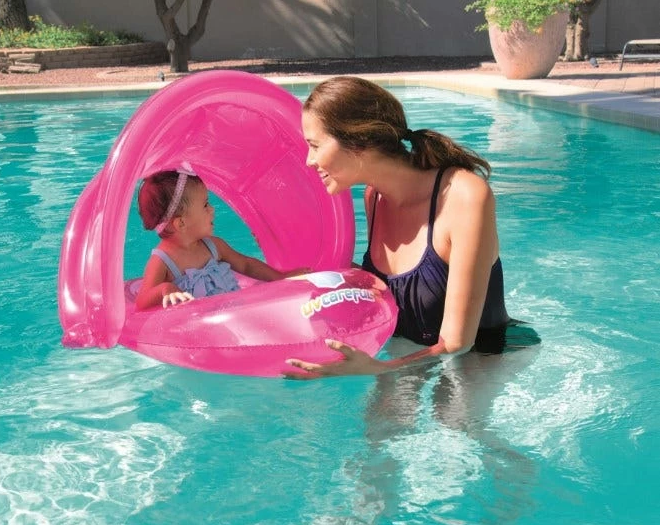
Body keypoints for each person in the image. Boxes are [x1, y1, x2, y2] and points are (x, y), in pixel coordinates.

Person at [286, 76, 530, 377]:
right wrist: (318, 276)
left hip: (481, 358)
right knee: (375, 411)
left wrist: (378, 369)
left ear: (358, 141)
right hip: (409, 351)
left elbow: (458, 342)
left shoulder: (464, 196)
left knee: (450, 407)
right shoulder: (375, 198)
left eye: (315, 146)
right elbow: (393, 289)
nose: (309, 161)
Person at [136, 168, 305, 310]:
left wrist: (281, 277)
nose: (212, 209)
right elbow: (142, 301)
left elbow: (246, 265)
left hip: (232, 315)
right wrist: (165, 288)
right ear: (181, 223)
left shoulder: (213, 246)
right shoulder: (162, 260)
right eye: (205, 205)